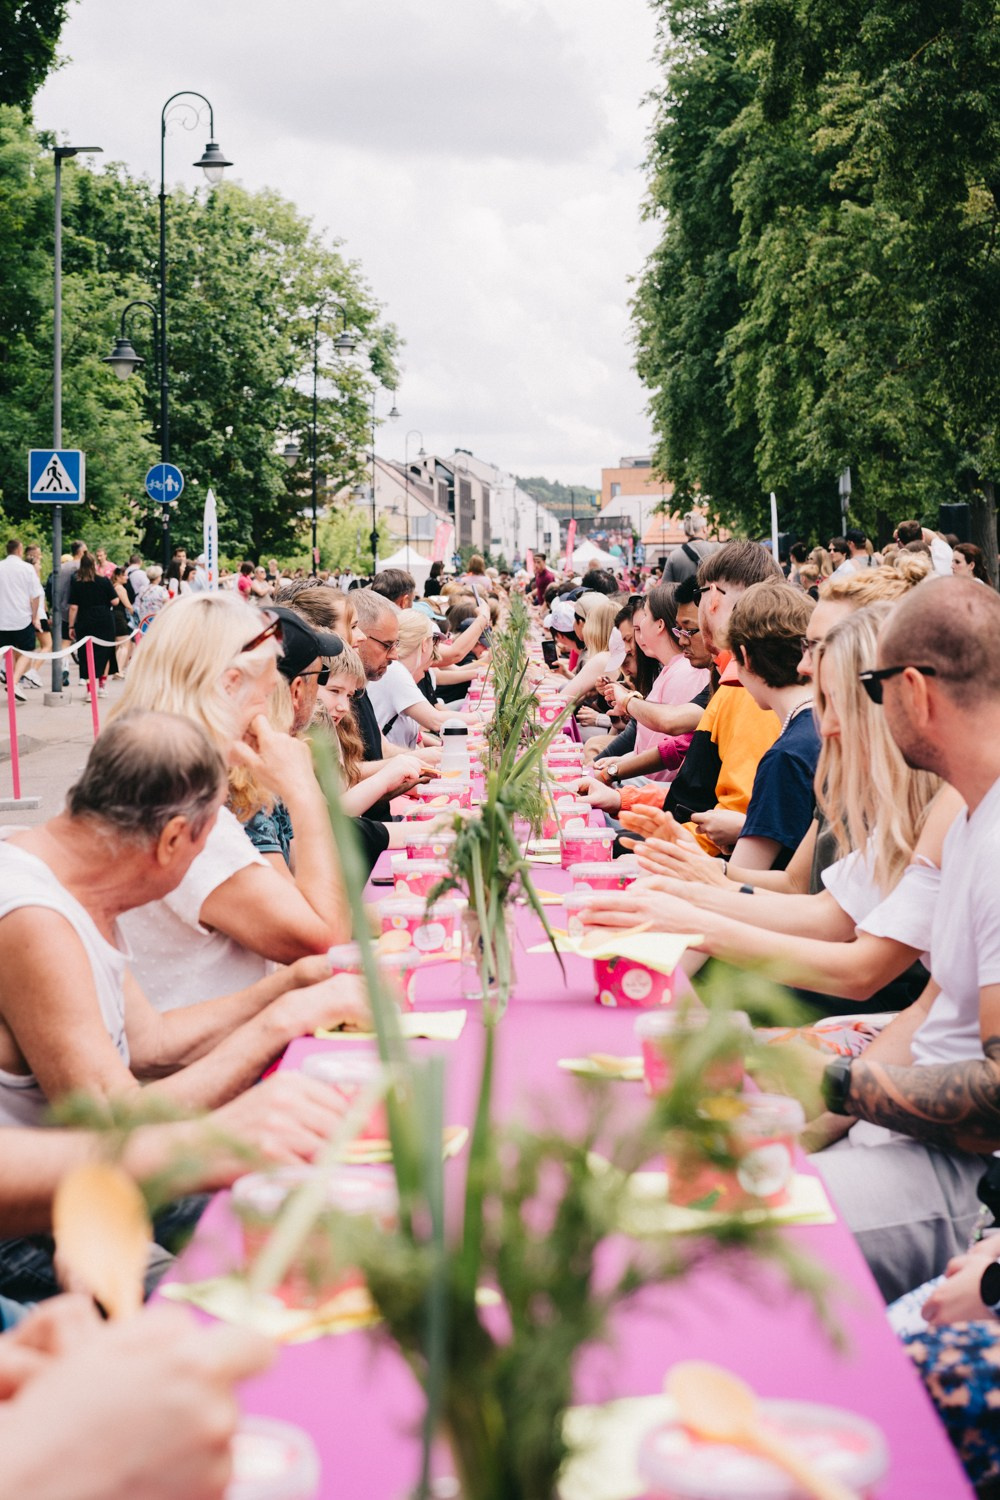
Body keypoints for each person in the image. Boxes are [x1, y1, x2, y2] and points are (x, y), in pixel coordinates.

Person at [766, 577, 1000, 1300]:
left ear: (914, 691)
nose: (845, 719)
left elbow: (994, 1100)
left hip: (964, 1179)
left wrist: (829, 1084)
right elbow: (928, 1013)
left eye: (869, 689)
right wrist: (796, 1133)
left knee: (739, 1243)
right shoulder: (967, 814)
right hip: (909, 1141)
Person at [111, 595, 349, 1011]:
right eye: (264, 695)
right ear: (230, 686)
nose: (270, 714)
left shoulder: (149, 780)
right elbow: (325, 939)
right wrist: (304, 792)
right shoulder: (184, 809)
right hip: (206, 1059)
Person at [68, 552, 117, 698]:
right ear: (94, 564)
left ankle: (90, 690)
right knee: (106, 652)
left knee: (86, 654)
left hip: (85, 620)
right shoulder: (104, 581)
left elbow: (73, 607)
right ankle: (102, 686)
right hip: (104, 619)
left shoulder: (77, 583)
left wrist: (71, 626)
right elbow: (115, 601)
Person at [0, 540, 43, 703]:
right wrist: (35, 616)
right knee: (27, 650)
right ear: (19, 550)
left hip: (2, 618)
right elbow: (36, 594)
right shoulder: (27, 568)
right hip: (21, 617)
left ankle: (11, 680)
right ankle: (14, 682)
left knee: (7, 652)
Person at [662, 510, 719, 583]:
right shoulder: (717, 549)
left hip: (683, 594)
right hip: (711, 594)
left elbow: (665, 588)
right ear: (704, 529)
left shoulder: (674, 556)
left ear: (686, 532)